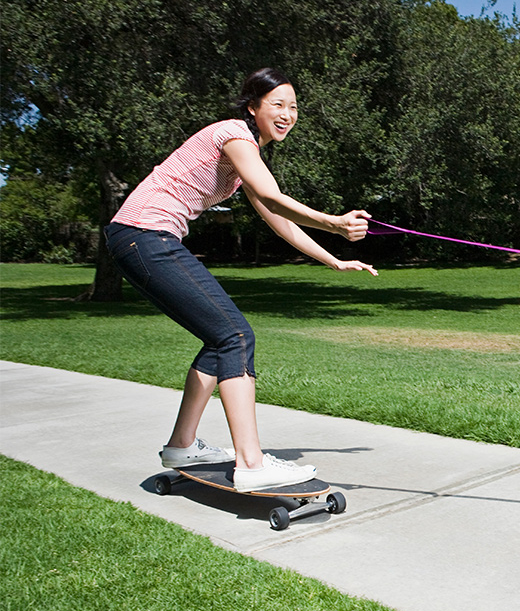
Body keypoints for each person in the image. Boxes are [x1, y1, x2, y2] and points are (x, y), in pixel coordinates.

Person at [104, 68, 377, 492]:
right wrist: (335, 223)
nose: (287, 115)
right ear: (253, 108)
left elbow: (275, 216)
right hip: (145, 236)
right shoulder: (234, 135)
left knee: (221, 338)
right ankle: (251, 463)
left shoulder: (245, 155)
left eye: (293, 107)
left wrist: (333, 259)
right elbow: (272, 197)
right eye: (277, 105)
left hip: (140, 238)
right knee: (235, 336)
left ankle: (181, 445)